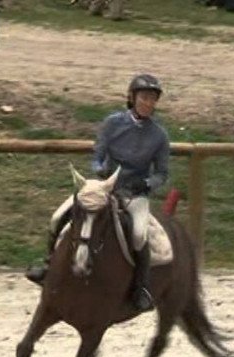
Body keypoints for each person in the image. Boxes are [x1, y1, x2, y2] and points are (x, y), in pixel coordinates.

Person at [26, 73, 170, 312]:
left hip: (135, 192)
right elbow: (98, 155)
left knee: (138, 234)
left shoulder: (159, 135)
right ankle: (48, 266)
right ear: (132, 98)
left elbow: (162, 173)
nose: (148, 103)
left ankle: (141, 287)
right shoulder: (113, 123)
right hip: (105, 187)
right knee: (58, 217)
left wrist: (147, 184)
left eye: (152, 99)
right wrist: (99, 170)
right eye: (144, 97)